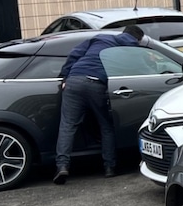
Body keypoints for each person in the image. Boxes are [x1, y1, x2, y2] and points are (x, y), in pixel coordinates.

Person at [54, 24, 144, 184]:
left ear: (123, 32)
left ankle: (62, 166)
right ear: (138, 39)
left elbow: (74, 54)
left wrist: (65, 77)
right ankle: (109, 167)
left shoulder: (100, 38)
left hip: (75, 79)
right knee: (106, 126)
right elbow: (136, 69)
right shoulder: (132, 48)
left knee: (67, 126)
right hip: (98, 84)